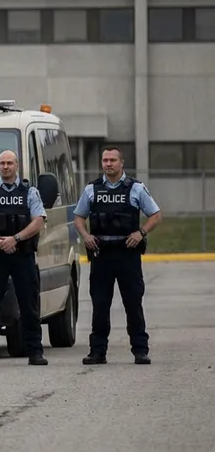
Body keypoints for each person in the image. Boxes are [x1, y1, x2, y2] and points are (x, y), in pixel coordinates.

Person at [73, 145, 161, 365]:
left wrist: (141, 233)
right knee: (100, 304)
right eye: (105, 160)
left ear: (121, 163)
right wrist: (86, 236)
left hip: (127, 254)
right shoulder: (92, 189)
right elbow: (79, 217)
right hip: (101, 254)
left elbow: (155, 215)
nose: (108, 164)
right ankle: (97, 352)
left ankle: (140, 350)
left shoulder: (135, 188)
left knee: (133, 303)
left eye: (113, 160)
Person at [0, 149, 48, 366]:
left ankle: (35, 352)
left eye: (10, 163)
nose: (6, 167)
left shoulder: (30, 192)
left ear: (17, 166)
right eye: (2, 163)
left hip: (22, 254)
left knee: (29, 304)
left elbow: (38, 221)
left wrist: (15, 239)